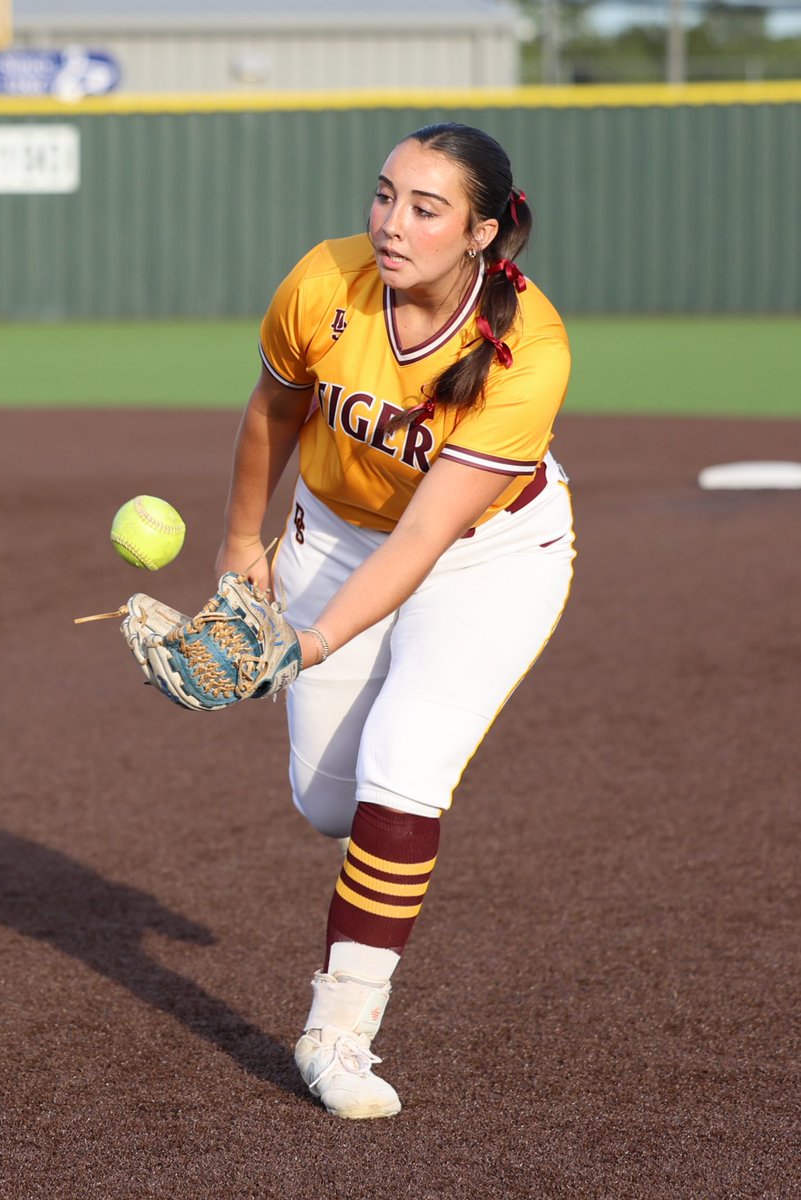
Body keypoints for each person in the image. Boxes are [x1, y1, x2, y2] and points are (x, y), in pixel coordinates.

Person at [213, 122, 576, 1119]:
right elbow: (270, 414)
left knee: (403, 770)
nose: (389, 222)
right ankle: (387, 740)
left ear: (479, 232)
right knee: (331, 804)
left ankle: (337, 1034)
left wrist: (311, 639)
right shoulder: (322, 284)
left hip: (482, 557)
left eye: (423, 206)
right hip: (331, 533)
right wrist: (242, 544)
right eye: (382, 195)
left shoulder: (526, 351)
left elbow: (422, 540)